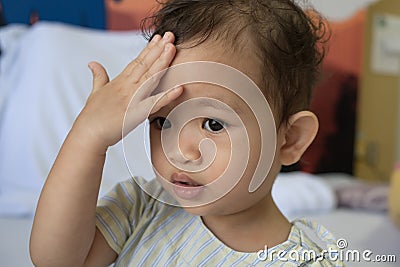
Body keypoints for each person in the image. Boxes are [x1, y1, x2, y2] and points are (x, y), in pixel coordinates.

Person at [30, 0, 344, 266]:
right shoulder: (142, 208)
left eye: (213, 124)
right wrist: (88, 137)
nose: (180, 151)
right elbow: (55, 260)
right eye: (162, 122)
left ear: (290, 140)